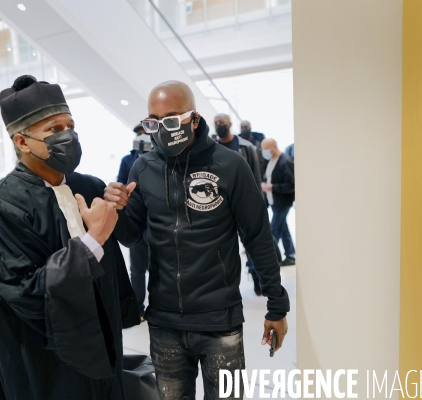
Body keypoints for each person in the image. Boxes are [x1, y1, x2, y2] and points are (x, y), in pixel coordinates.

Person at [105, 80, 290, 399]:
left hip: (221, 320)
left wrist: (276, 304)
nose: (163, 128)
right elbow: (132, 235)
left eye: (172, 118)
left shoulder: (230, 165)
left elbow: (258, 237)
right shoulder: (143, 167)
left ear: (194, 118)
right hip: (164, 322)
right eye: (154, 121)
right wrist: (117, 210)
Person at [0, 75, 140, 400]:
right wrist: (92, 240)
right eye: (53, 129)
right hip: (42, 358)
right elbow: (26, 294)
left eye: (69, 125)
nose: (68, 136)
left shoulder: (87, 186)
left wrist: (119, 209)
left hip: (100, 340)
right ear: (22, 142)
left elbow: (127, 242)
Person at [214, 113, 264, 295]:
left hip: (244, 204)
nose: (219, 125)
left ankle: (258, 280)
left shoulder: (246, 147)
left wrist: (258, 204)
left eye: (222, 122)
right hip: (220, 207)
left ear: (229, 124)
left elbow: (256, 177)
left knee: (252, 245)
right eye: (216, 123)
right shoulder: (211, 148)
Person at [118, 124, 151, 318]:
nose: (143, 138)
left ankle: (156, 306)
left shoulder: (160, 159)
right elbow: (122, 182)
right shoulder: (127, 160)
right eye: (140, 135)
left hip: (155, 221)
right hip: (136, 221)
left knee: (157, 269)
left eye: (146, 135)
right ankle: (138, 308)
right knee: (137, 270)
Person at [261, 138, 296, 266]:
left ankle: (271, 260)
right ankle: (291, 255)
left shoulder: (285, 161)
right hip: (275, 201)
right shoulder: (271, 161)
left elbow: (291, 185)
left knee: (274, 231)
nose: (264, 151)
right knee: (284, 229)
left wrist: (272, 187)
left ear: (274, 147)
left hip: (283, 202)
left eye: (266, 148)